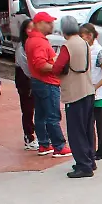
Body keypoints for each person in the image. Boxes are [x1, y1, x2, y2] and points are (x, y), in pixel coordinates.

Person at [50, 16, 96, 178]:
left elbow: (57, 68)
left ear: (63, 30)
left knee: (76, 131)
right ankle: (90, 159)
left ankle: (84, 166)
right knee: (88, 129)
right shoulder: (84, 42)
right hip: (89, 90)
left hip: (74, 93)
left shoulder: (67, 46)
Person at [24, 12, 70, 158]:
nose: (51, 25)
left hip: (39, 82)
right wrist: (58, 67)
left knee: (41, 115)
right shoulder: (39, 42)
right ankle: (59, 146)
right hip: (47, 82)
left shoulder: (33, 40)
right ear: (39, 24)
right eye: (48, 22)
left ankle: (44, 144)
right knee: (52, 115)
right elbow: (40, 64)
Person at [80, 23, 102, 161]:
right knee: (89, 124)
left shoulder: (98, 51)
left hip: (97, 95)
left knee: (100, 124)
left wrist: (95, 87)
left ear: (90, 35)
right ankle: (91, 150)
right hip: (87, 93)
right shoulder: (84, 49)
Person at [14, 18, 37, 151]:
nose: (32, 31)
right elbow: (25, 66)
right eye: (29, 28)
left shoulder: (32, 43)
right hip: (25, 79)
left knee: (35, 107)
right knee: (28, 109)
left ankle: (34, 134)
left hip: (32, 77)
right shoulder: (21, 47)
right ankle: (29, 137)